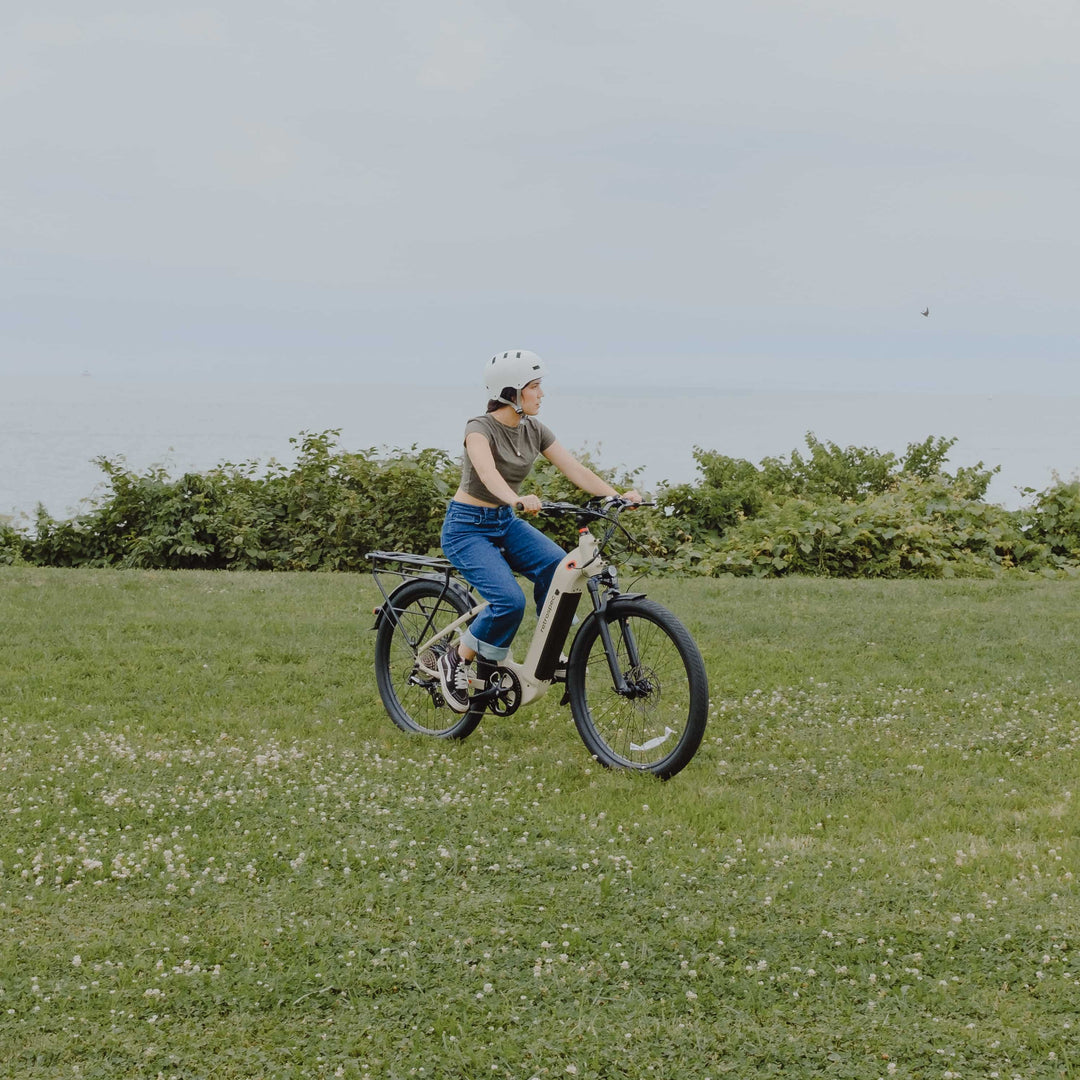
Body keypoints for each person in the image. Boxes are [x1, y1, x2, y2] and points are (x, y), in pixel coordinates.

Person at [437, 350, 641, 712]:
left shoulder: (535, 430)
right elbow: (487, 474)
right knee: (508, 602)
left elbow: (574, 469)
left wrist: (615, 495)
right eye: (534, 387)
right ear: (511, 393)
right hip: (466, 528)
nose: (541, 394)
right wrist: (514, 498)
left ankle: (548, 648)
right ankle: (456, 656)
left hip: (504, 522)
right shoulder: (479, 429)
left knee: (561, 568)